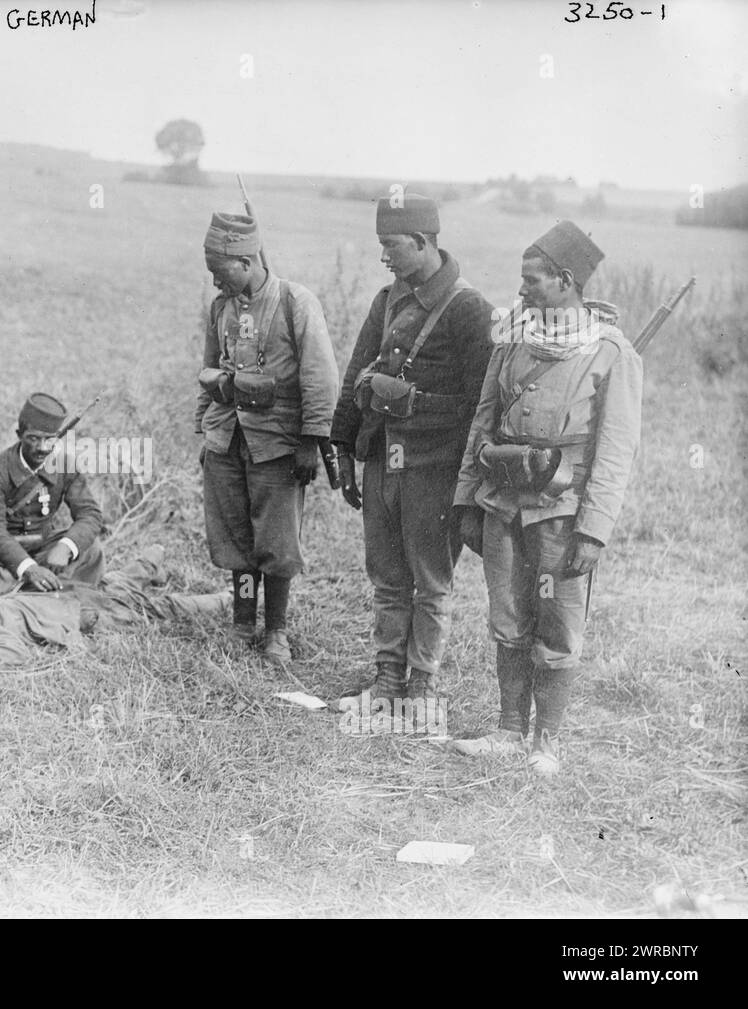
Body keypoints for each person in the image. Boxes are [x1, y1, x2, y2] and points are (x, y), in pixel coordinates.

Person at [451, 221, 643, 775]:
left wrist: (594, 529)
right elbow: (482, 422)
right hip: (502, 502)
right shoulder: (512, 338)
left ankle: (546, 743)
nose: (522, 291)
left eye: (532, 280)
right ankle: (510, 731)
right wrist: (467, 502)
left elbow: (614, 452)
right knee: (508, 617)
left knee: (557, 625)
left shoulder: (611, 353)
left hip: (563, 510)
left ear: (564, 280)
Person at [329, 194, 495, 702]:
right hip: (383, 460)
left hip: (435, 469)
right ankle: (386, 679)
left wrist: (465, 481)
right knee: (387, 577)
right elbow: (358, 371)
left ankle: (421, 685)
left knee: (431, 580)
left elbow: (480, 406)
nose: (384, 257)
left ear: (423, 243)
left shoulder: (471, 310)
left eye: (391, 245)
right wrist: (344, 448)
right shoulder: (386, 301)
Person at [195, 211, 340, 666]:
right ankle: (242, 623)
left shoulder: (296, 302)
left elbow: (321, 377)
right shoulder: (221, 308)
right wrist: (206, 430)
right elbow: (208, 369)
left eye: (221, 273)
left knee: (276, 542)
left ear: (245, 260)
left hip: (277, 444)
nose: (217, 283)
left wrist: (311, 441)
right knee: (237, 539)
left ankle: (275, 631)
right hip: (226, 440)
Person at [0, 548, 228, 669]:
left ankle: (229, 598)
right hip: (58, 601)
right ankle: (148, 562)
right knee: (111, 590)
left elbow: (12, 650)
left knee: (150, 611)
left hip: (76, 616)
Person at [0, 393, 104, 598]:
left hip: (40, 548)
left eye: (49, 439)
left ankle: (51, 594)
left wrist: (65, 548)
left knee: (91, 549)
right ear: (19, 434)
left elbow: (90, 514)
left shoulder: (65, 466)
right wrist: (28, 568)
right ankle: (44, 595)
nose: (42, 448)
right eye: (33, 438)